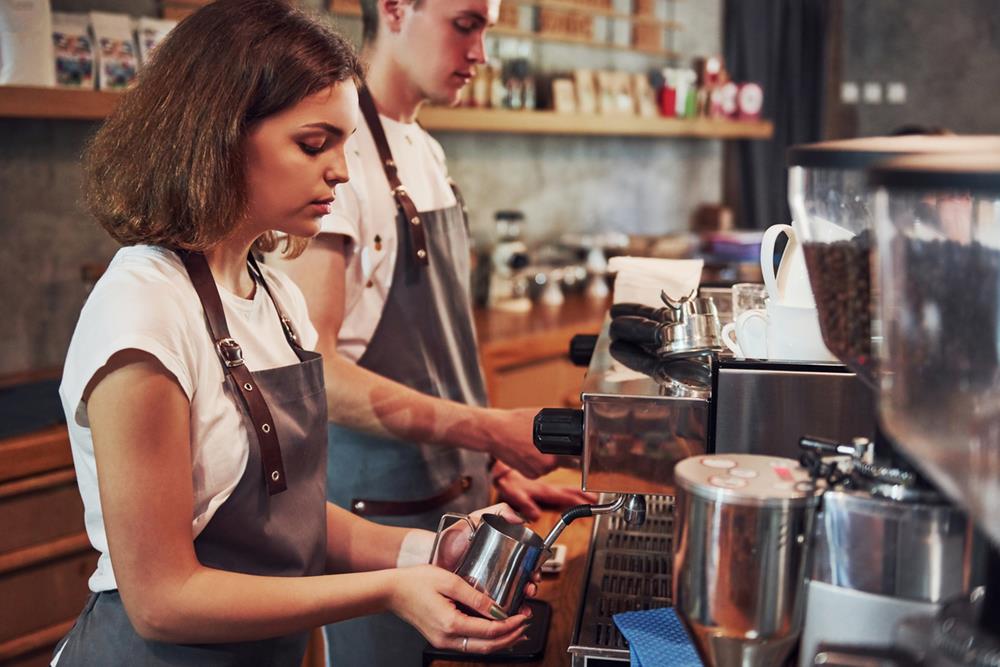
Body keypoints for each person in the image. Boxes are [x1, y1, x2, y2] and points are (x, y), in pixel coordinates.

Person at [51, 1, 534, 664]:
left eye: (342, 143)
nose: (339, 169)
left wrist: (428, 550)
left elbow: (292, 519)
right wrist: (387, 591)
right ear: (218, 133)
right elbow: (162, 598)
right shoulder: (143, 311)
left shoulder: (274, 294)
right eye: (315, 144)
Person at [274, 0, 594, 662]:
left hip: (456, 504)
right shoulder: (340, 159)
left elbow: (435, 352)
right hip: (380, 519)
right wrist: (490, 427)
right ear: (394, 8)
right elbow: (318, 373)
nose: (481, 52)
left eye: (487, 29)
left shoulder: (423, 148)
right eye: (466, 23)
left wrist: (491, 466)